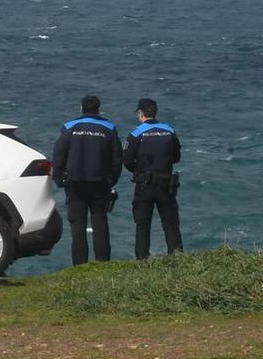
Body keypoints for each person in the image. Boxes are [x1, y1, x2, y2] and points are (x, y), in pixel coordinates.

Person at [52, 93, 122, 265]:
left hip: (75, 182)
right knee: (100, 222)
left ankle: (79, 264)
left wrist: (59, 178)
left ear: (81, 108)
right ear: (99, 109)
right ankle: (103, 262)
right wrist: (111, 180)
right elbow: (117, 158)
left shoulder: (69, 127)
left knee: (77, 224)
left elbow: (59, 154)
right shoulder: (110, 128)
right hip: (100, 182)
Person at [124, 97, 182, 258]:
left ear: (140, 113)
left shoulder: (136, 133)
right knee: (171, 223)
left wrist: (139, 169)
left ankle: (142, 260)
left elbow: (127, 161)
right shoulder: (169, 130)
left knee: (143, 224)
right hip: (166, 183)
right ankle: (176, 256)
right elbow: (177, 156)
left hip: (144, 184)